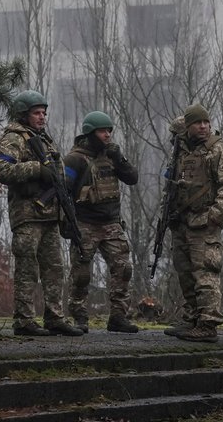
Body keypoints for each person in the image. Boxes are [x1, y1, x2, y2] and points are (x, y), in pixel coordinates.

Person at [0, 90, 84, 337]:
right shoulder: (14, 138)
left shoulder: (45, 139)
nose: (42, 117)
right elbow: (2, 170)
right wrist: (37, 169)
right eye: (36, 113)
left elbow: (58, 173)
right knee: (27, 269)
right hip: (27, 215)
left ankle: (55, 317)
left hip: (50, 214)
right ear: (24, 115)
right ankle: (24, 321)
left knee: (55, 268)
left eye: (44, 113)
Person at [165, 103, 223, 343]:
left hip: (204, 223)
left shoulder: (219, 151)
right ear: (188, 127)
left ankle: (208, 325)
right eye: (198, 122)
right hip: (183, 222)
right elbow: (173, 188)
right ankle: (192, 318)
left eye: (206, 122)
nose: (204, 126)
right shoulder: (183, 153)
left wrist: (215, 216)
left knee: (205, 273)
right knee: (185, 273)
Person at [63, 111, 141, 334]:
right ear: (90, 133)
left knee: (123, 269)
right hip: (85, 223)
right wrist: (68, 222)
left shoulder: (112, 155)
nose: (107, 135)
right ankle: (79, 318)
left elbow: (132, 178)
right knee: (80, 274)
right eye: (102, 131)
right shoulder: (75, 158)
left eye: (109, 131)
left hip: (111, 224)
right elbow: (64, 190)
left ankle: (118, 317)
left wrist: (119, 159)